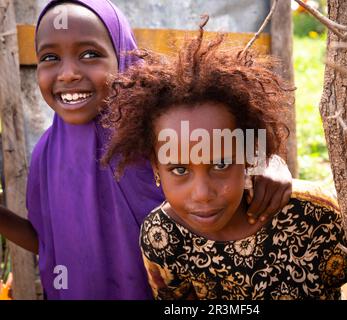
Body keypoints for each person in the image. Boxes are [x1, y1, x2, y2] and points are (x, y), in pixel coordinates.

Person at [0, 1, 292, 299]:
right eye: (50, 57)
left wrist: (270, 164)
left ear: (122, 53)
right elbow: (49, 240)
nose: (68, 73)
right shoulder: (45, 156)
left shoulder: (158, 131)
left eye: (90, 54)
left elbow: (243, 144)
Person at [103, 18, 347, 300]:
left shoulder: (314, 215)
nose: (203, 194)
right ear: (156, 167)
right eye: (180, 169)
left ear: (248, 155)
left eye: (220, 165)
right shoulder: (163, 237)